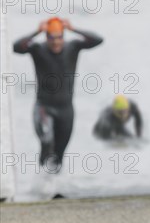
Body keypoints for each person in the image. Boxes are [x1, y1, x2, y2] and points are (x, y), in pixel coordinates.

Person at [13, 17, 103, 172]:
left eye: (59, 37)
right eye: (51, 37)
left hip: (66, 110)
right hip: (44, 108)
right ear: (46, 37)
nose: (56, 42)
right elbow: (16, 47)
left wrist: (74, 29)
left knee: (59, 152)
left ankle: (53, 185)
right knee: (47, 140)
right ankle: (41, 177)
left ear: (63, 36)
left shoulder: (73, 47)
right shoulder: (37, 49)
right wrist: (36, 32)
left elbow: (98, 40)